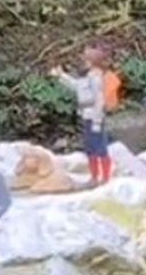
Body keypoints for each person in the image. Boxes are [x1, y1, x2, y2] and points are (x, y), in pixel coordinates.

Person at [50, 43, 117, 186]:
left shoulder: (96, 79)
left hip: (94, 117)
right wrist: (61, 76)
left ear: (93, 63)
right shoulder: (88, 78)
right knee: (90, 147)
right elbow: (77, 87)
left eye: (87, 60)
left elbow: (99, 100)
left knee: (100, 147)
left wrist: (97, 121)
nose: (84, 62)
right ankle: (94, 176)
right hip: (86, 115)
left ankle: (105, 177)